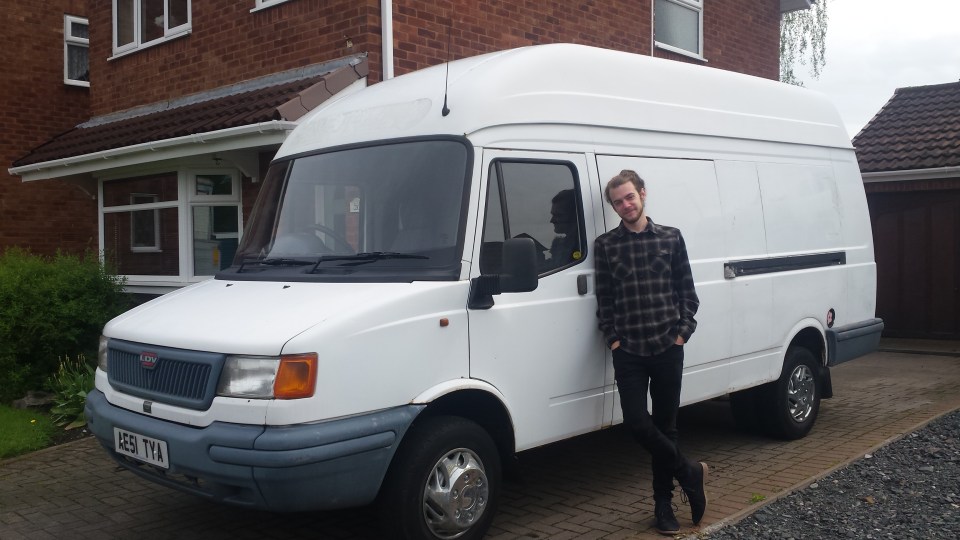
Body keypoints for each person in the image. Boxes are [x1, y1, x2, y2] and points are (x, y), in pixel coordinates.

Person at [594, 169, 708, 535]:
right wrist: (613, 339)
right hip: (628, 349)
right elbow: (605, 299)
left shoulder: (671, 238)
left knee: (666, 427)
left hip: (667, 347)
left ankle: (663, 506)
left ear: (643, 193)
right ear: (613, 207)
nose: (625, 205)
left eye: (629, 197)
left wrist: (682, 334)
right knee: (636, 422)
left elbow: (687, 293)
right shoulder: (606, 245)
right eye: (617, 201)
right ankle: (690, 472)